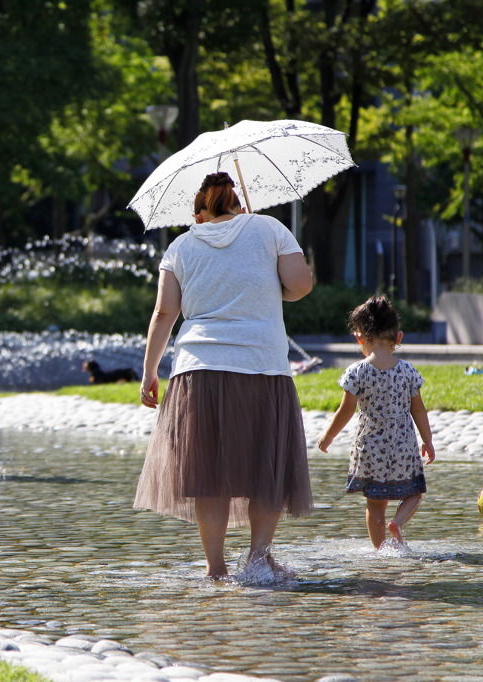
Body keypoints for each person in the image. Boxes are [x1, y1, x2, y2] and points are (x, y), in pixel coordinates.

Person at [134, 171, 314, 579]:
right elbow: (300, 286)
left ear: (198, 214)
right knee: (265, 469)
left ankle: (215, 569)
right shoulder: (270, 228)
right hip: (261, 365)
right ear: (237, 202)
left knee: (208, 475)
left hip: (197, 370)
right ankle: (257, 560)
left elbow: (165, 313)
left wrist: (149, 370)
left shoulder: (180, 245)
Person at [318, 296, 435, 548]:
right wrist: (428, 440)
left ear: (359, 337)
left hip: (370, 445)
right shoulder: (408, 371)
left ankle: (380, 552)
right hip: (403, 443)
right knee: (415, 492)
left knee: (375, 504)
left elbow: (345, 410)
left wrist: (328, 436)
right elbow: (419, 409)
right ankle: (398, 522)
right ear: (399, 337)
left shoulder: (357, 371)